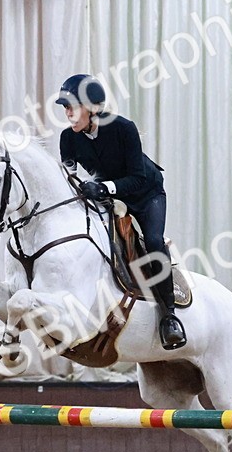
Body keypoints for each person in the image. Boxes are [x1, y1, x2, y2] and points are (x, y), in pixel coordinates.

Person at [55, 74, 187, 351]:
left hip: (145, 194)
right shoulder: (68, 138)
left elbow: (137, 178)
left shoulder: (123, 128)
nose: (67, 113)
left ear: (92, 108)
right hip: (108, 197)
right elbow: (67, 179)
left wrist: (102, 188)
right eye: (64, 107)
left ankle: (169, 316)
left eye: (72, 106)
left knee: (152, 241)